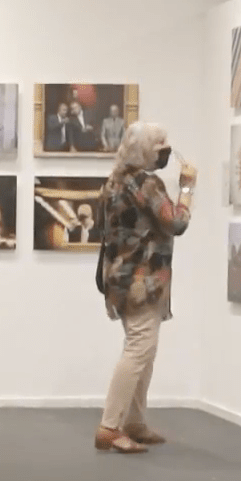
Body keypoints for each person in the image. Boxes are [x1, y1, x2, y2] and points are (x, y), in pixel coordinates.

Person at [93, 122, 195, 453]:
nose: (166, 150)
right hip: (143, 279)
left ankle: (134, 422)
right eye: (160, 145)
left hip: (120, 277)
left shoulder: (113, 183)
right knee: (139, 348)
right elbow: (176, 222)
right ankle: (110, 426)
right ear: (144, 151)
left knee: (144, 350)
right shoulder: (146, 184)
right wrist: (188, 189)